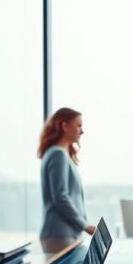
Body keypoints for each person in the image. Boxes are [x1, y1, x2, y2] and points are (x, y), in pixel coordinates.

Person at [38, 107, 95, 254]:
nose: (82, 131)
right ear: (64, 126)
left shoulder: (58, 153)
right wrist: (84, 225)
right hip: (60, 234)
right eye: (78, 126)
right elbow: (60, 197)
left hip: (64, 233)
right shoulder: (58, 155)